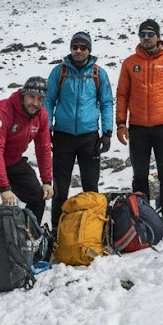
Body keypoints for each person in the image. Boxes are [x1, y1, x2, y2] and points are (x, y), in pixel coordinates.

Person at [115, 19, 163, 238]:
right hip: (137, 127)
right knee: (139, 176)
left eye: (150, 34)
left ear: (157, 36)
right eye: (142, 34)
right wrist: (120, 124)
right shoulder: (129, 63)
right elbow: (122, 94)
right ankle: (143, 218)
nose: (146, 38)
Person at [45, 31, 115, 229]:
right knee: (60, 188)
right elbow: (49, 101)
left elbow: (106, 103)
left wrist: (107, 132)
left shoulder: (98, 73)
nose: (78, 50)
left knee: (90, 187)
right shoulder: (59, 72)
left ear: (89, 50)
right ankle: (57, 231)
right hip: (62, 137)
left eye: (83, 47)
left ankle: (92, 228)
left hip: (89, 137)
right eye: (75, 47)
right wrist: (46, 128)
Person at [0, 76, 54, 236]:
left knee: (37, 197)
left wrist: (47, 181)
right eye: (32, 97)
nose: (35, 103)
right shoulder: (2, 111)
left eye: (40, 99)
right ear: (23, 95)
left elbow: (43, 148)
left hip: (12, 160)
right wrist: (4, 188)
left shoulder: (41, 115)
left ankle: (26, 243)